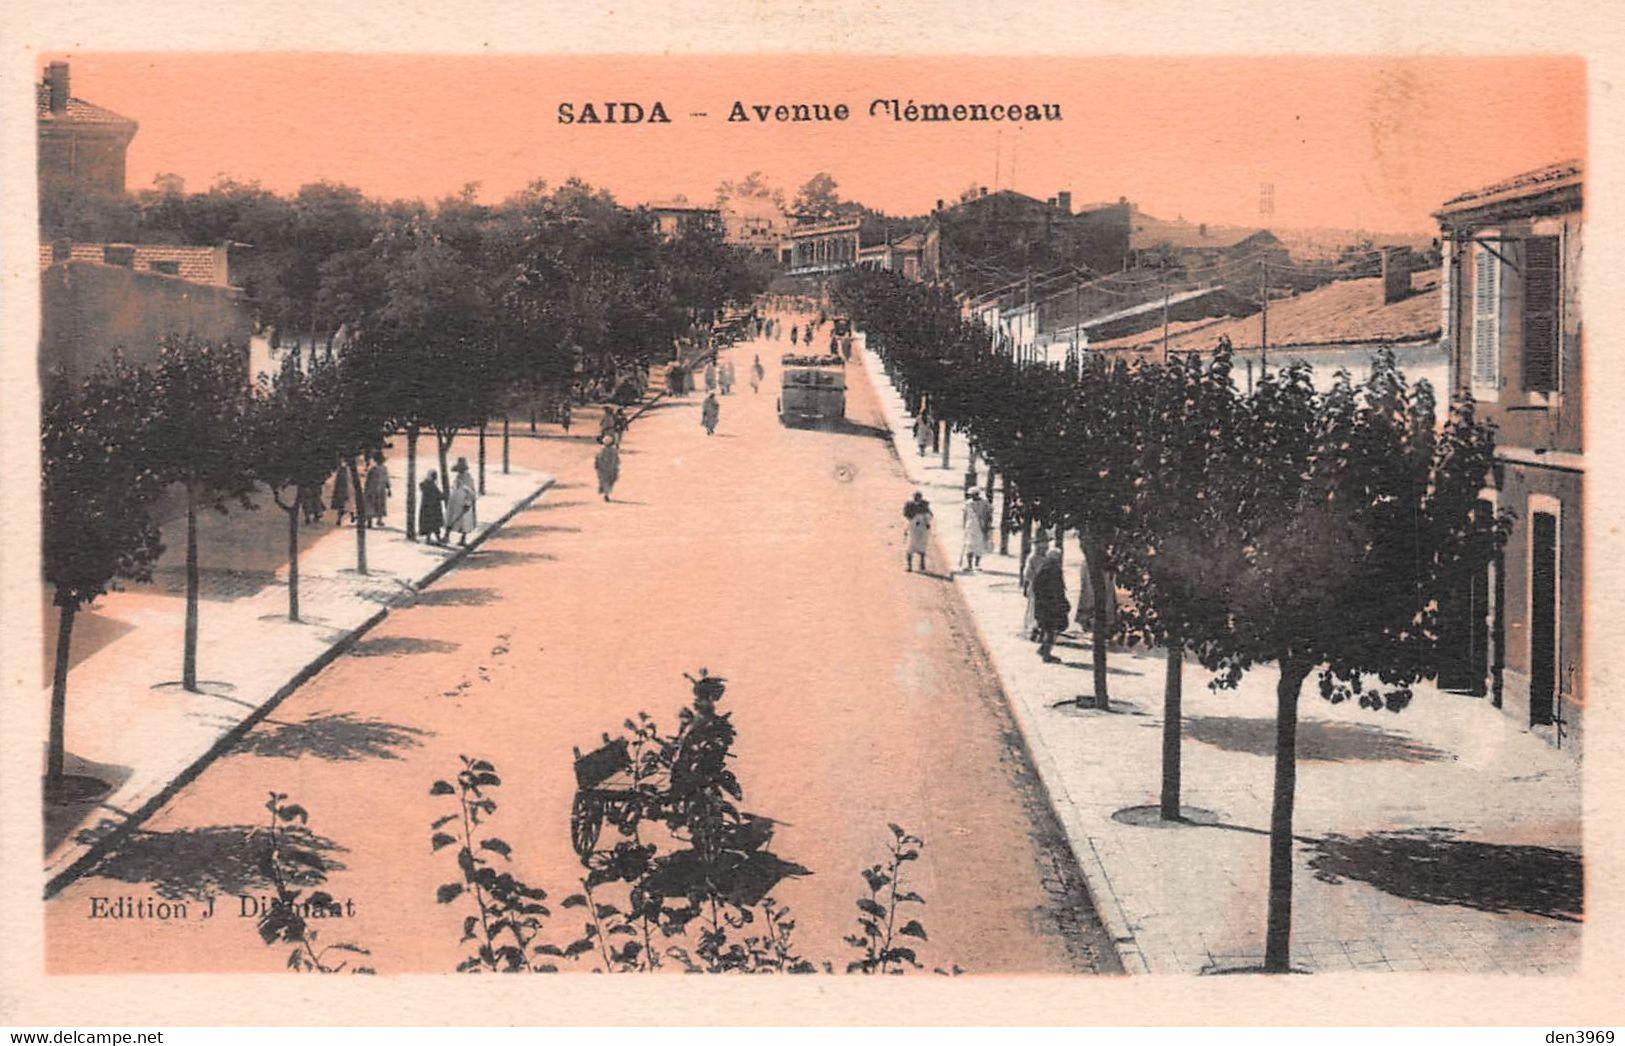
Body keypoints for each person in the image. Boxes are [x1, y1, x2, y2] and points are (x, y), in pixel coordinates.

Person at [1032, 547, 1071, 662]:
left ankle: (1043, 649)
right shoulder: (1054, 571)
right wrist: (1062, 603)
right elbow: (1058, 590)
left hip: (1042, 605)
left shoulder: (1043, 569)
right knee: (1051, 630)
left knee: (1047, 629)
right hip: (1051, 607)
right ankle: (1046, 654)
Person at [1022, 529, 1053, 639]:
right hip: (1035, 587)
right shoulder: (1033, 558)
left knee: (1043, 608)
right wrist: (1026, 587)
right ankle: (1034, 628)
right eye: (1041, 546)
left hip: (1046, 587)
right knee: (1034, 607)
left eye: (1045, 546)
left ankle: (1041, 629)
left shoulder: (1048, 558)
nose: (1043, 548)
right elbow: (1028, 574)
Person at [445, 458, 478, 547]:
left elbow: (471, 492)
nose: (459, 472)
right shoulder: (457, 477)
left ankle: (463, 539)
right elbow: (455, 487)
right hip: (455, 502)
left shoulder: (468, 478)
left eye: (461, 470)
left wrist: (467, 502)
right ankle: (446, 536)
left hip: (463, 502)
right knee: (450, 518)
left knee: (464, 521)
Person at [961, 488, 992, 572]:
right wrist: (964, 526)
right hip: (970, 526)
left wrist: (988, 525)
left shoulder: (985, 503)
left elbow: (989, 513)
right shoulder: (968, 503)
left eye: (974, 494)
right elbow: (965, 515)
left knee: (979, 546)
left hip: (981, 526)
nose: (972, 496)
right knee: (969, 545)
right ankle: (969, 565)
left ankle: (977, 565)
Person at [903, 492, 933, 573]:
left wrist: (927, 522)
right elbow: (906, 516)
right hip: (913, 527)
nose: (917, 498)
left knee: (922, 546)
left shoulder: (925, 505)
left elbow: (929, 516)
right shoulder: (909, 505)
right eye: (916, 497)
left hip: (922, 528)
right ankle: (909, 566)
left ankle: (922, 565)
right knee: (910, 546)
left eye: (919, 497)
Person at [363, 451, 391, 529]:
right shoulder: (378, 469)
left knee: (375, 504)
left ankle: (376, 520)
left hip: (375, 488)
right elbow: (386, 479)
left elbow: (386, 479)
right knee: (376, 504)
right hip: (377, 488)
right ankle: (374, 520)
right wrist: (388, 488)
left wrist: (388, 488)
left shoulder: (374, 469)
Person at [418, 469, 446, 545]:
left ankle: (429, 539)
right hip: (433, 508)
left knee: (429, 525)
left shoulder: (426, 485)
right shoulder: (432, 486)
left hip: (427, 508)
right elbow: (438, 495)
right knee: (434, 525)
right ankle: (437, 539)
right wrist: (444, 496)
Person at [330, 459, 352, 526]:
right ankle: (351, 516)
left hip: (342, 490)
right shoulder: (346, 470)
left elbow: (340, 481)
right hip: (345, 490)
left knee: (343, 506)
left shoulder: (343, 470)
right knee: (346, 505)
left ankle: (341, 519)